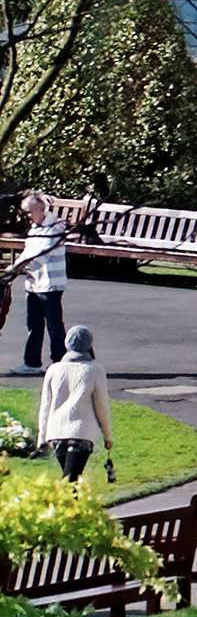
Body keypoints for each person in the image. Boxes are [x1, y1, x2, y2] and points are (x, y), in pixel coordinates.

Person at [36, 322, 107, 483]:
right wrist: (107, 436)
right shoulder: (95, 370)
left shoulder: (54, 369)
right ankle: (70, 507)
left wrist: (42, 437)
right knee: (71, 481)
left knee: (69, 480)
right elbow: (101, 407)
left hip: (56, 433)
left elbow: (45, 406)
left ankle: (69, 506)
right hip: (82, 433)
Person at [16, 195, 64, 371]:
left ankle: (60, 361)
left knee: (54, 325)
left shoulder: (55, 228)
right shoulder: (35, 229)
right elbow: (27, 253)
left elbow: (42, 256)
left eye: (29, 212)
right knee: (34, 325)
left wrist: (21, 268)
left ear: (38, 209)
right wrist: (13, 268)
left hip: (50, 283)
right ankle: (32, 362)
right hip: (34, 284)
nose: (27, 216)